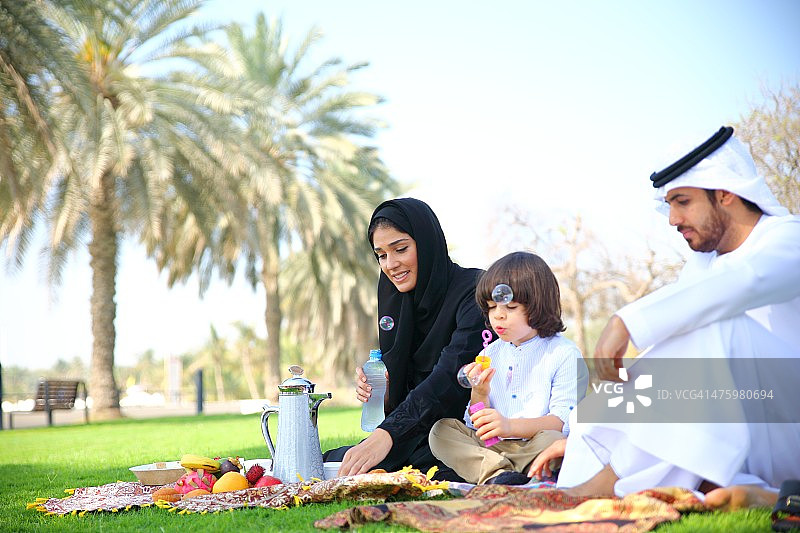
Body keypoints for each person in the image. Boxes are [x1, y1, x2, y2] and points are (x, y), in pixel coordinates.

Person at [552, 126, 800, 508]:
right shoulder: (702, 268)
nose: (671, 218)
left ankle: (612, 482)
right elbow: (662, 365)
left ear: (725, 193)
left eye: (682, 202)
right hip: (745, 432)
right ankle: (750, 493)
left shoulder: (788, 238)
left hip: (787, 425)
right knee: (632, 380)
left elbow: (739, 285)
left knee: (715, 322)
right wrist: (591, 430)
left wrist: (624, 322)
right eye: (668, 204)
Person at [326, 197, 491, 480]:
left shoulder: (474, 290)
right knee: (333, 461)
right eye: (381, 255)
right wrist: (386, 390)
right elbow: (403, 395)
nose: (391, 264)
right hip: (411, 434)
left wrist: (389, 433)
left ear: (426, 244)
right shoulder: (395, 299)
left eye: (400, 249)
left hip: (461, 432)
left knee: (425, 467)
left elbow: (450, 377)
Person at [428, 251, 588, 485]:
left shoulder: (563, 354)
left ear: (538, 306)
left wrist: (509, 426)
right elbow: (476, 423)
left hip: (534, 446)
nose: (498, 316)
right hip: (491, 448)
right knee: (441, 431)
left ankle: (494, 472)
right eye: (491, 308)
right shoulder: (489, 353)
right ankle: (500, 474)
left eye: (510, 307)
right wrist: (479, 393)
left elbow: (560, 423)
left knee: (553, 440)